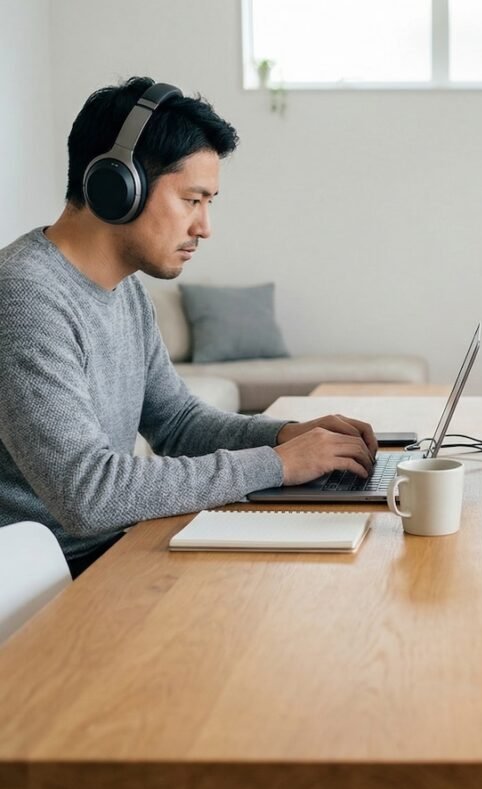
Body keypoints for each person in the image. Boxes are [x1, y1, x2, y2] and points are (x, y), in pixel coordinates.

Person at [0, 77, 379, 578]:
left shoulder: (126, 291)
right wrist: (278, 464)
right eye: (192, 200)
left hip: (116, 551)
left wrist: (290, 435)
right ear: (118, 186)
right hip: (46, 582)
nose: (205, 227)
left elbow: (176, 423)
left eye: (209, 203)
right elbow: (89, 494)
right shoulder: (23, 295)